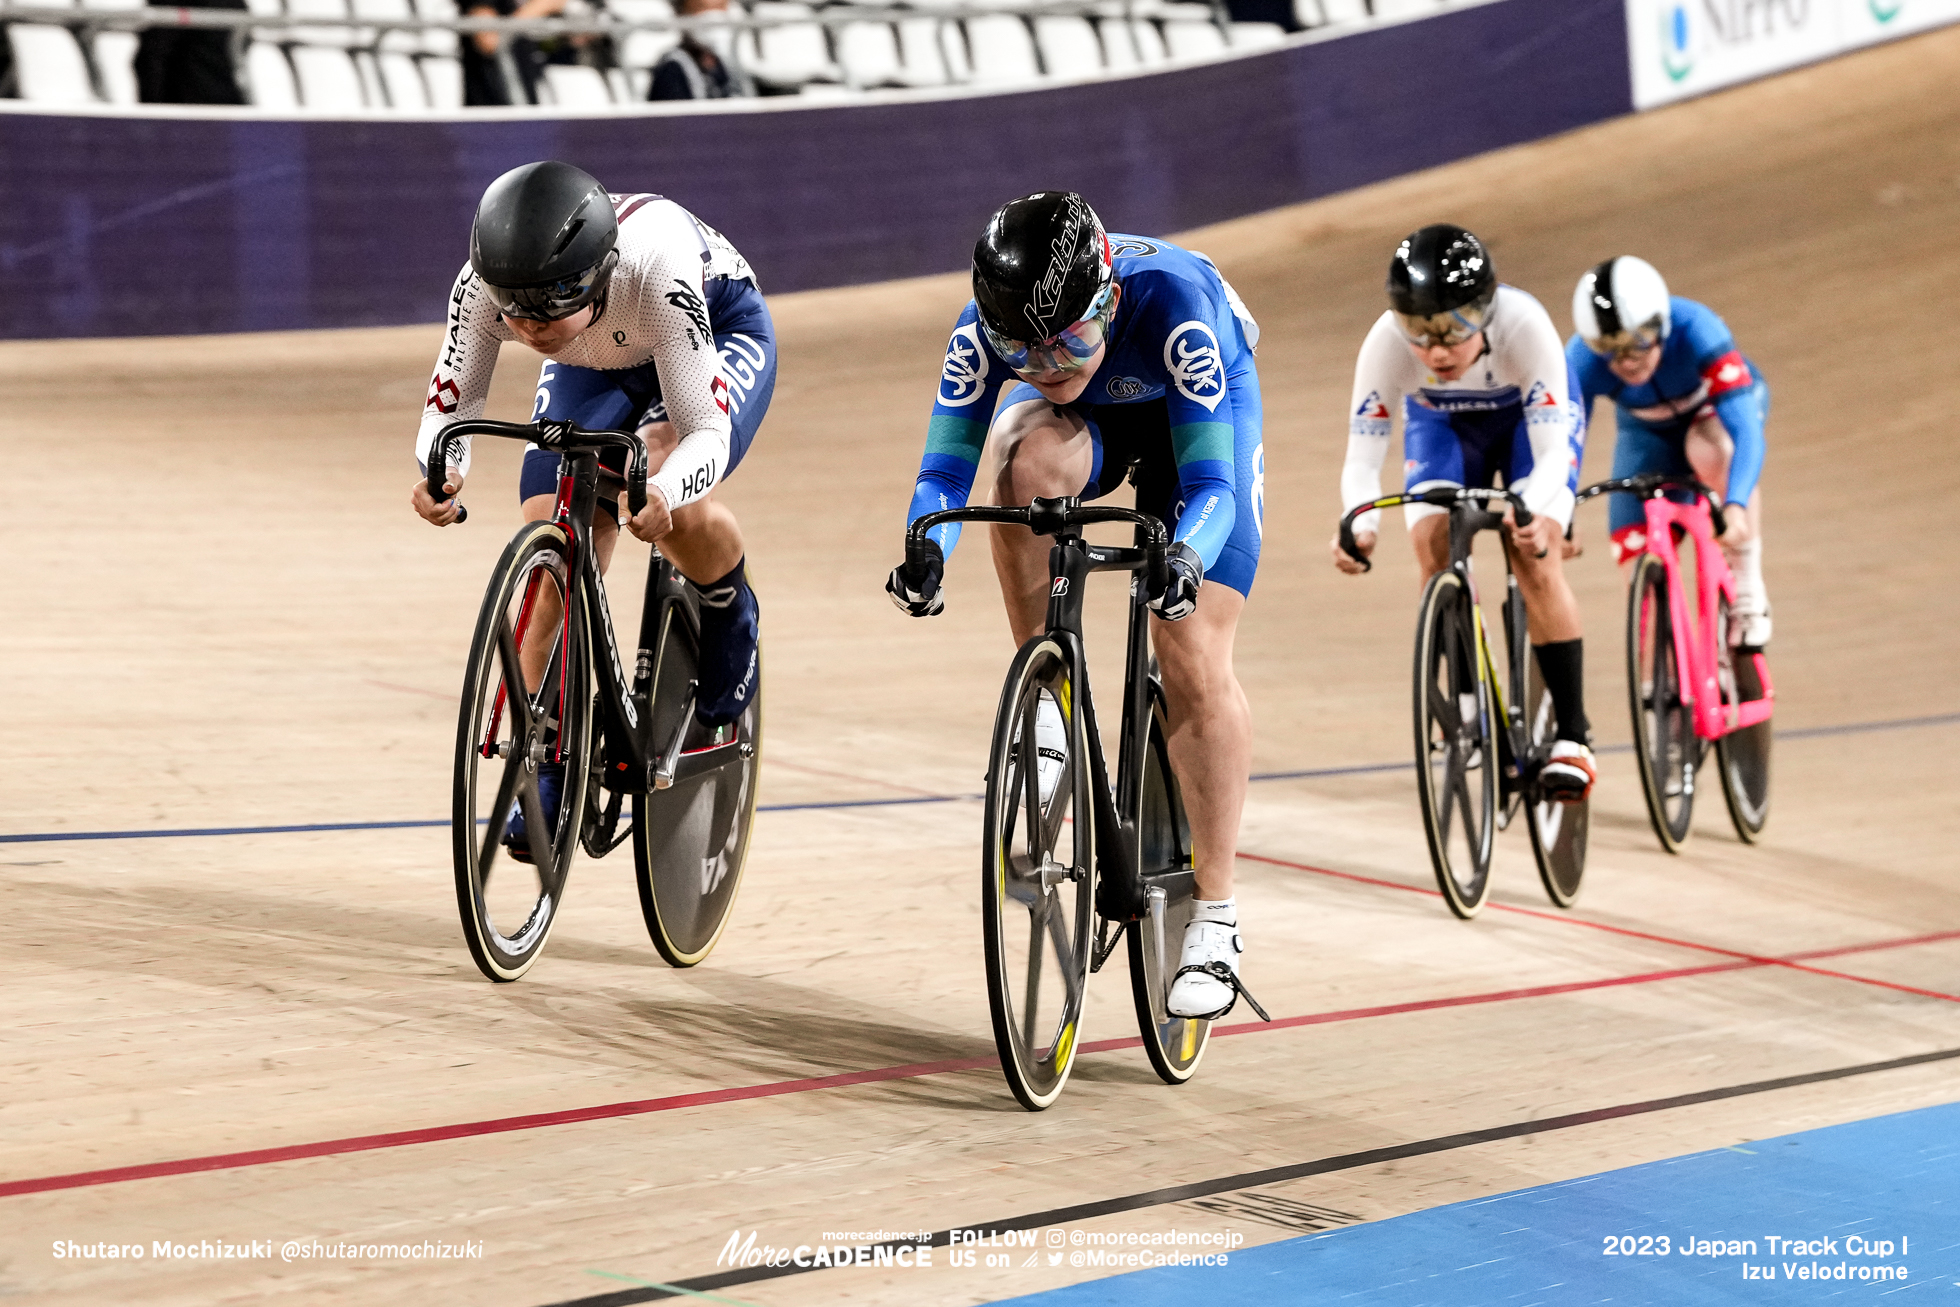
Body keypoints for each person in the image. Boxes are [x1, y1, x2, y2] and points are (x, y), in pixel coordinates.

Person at [886, 191, 1267, 1021]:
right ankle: (1050, 689)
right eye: (1022, 351)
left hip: (1191, 426)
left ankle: (1218, 913)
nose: (1048, 363)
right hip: (1089, 426)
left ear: (1109, 301)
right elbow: (943, 478)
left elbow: (1213, 488)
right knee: (1020, 474)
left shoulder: (1176, 309)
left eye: (1068, 341)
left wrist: (1187, 556)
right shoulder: (989, 332)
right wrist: (927, 549)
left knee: (1189, 642)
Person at [411, 160, 774, 861]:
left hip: (713, 329)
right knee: (549, 530)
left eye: (546, 305)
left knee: (658, 459)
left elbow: (708, 431)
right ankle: (546, 756)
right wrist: (441, 470)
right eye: (512, 308)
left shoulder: (656, 272)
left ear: (598, 273)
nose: (525, 324)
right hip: (599, 348)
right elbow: (451, 400)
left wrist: (665, 492)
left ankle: (728, 601)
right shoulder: (490, 288)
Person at [1332, 223, 1596, 799]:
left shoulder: (1524, 325)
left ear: (1484, 309)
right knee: (1432, 550)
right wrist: (1362, 523)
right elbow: (1362, 460)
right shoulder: (1384, 343)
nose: (1436, 350)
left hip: (1529, 429)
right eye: (1418, 333)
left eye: (1452, 329)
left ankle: (1574, 737)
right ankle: (1471, 705)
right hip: (1443, 427)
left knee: (1535, 558)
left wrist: (1537, 509)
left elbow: (1554, 454)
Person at [1567, 256, 1772, 648]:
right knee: (1634, 562)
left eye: (1638, 343)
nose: (1626, 360)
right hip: (1645, 432)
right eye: (1610, 349)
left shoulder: (1697, 327)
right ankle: (1659, 694)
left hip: (1714, 409)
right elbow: (1564, 440)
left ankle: (1746, 585)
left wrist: (1736, 506)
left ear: (1661, 326)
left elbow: (1745, 429)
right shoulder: (1580, 359)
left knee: (1709, 449)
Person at [648, 0, 751, 99]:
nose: (713, 16)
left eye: (720, 6)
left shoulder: (729, 66)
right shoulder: (672, 69)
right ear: (681, 13)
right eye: (702, 7)